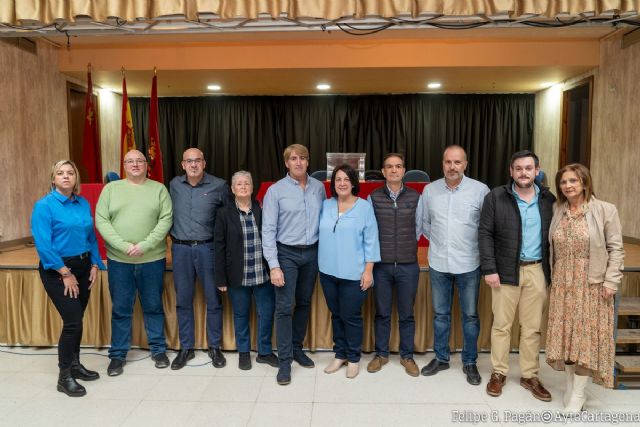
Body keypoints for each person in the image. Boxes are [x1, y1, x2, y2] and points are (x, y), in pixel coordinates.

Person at [545, 164, 624, 416]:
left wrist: (611, 281)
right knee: (567, 338)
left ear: (585, 182)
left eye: (573, 181)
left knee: (585, 341)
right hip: (562, 284)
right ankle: (571, 386)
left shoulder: (605, 210)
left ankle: (578, 395)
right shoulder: (558, 209)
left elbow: (616, 249)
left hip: (592, 284)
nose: (568, 185)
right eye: (563, 182)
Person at [479, 150, 556, 401]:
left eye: (528, 168)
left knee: (532, 328)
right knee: (501, 325)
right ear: (511, 171)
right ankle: (499, 373)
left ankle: (529, 375)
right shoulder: (496, 197)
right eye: (518, 168)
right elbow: (485, 234)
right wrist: (489, 269)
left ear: (537, 170)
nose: (523, 173)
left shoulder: (548, 199)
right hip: (504, 271)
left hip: (537, 270)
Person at [31, 160, 106, 397]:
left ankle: (75, 365)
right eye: (60, 173)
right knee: (72, 321)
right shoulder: (44, 206)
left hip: (83, 266)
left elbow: (91, 236)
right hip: (58, 270)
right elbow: (43, 245)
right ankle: (64, 376)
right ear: (53, 179)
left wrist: (95, 263)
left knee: (78, 319)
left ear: (76, 178)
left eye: (70, 172)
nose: (66, 176)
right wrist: (65, 273)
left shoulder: (82, 203)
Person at [95, 149, 173, 376]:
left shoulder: (159, 189)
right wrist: (124, 246)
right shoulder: (111, 189)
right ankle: (118, 355)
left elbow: (166, 219)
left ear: (147, 165)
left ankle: (158, 350)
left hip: (152, 259)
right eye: (130, 161)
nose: (135, 164)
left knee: (153, 306)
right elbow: (101, 220)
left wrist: (145, 245)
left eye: (140, 160)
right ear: (124, 165)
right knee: (121, 308)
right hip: (119, 260)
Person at [421, 145, 489, 385]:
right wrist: (442, 244)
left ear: (465, 164)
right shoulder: (429, 191)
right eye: (448, 162)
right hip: (439, 262)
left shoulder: (480, 191)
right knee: (440, 315)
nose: (452, 167)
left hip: (469, 263)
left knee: (470, 316)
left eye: (457, 162)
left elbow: (486, 228)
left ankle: (470, 361)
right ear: (442, 164)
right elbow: (425, 225)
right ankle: (441, 358)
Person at [262, 144, 325, 385]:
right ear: (287, 163)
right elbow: (267, 230)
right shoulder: (275, 191)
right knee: (285, 306)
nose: (298, 162)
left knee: (305, 302)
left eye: (303, 158)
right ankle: (285, 360)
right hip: (286, 253)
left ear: (308, 162)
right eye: (293, 159)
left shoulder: (318, 188)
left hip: (312, 253)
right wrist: (274, 265)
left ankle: (297, 348)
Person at [169, 148, 229, 370]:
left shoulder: (219, 186)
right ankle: (186, 348)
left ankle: (214, 346)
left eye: (197, 161)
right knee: (183, 300)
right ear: (182, 165)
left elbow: (226, 220)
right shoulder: (174, 185)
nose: (193, 165)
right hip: (181, 250)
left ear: (204, 163)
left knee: (213, 300)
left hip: (208, 249)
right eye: (189, 161)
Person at [319, 164, 381, 379]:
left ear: (354, 183)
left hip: (354, 274)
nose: (342, 183)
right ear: (333, 184)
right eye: (338, 179)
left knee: (351, 317)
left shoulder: (364, 207)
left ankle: (354, 358)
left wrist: (368, 270)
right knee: (336, 315)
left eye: (347, 179)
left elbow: (371, 240)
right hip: (327, 272)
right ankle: (340, 354)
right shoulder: (325, 205)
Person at [215, 171, 278, 370]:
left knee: (266, 314)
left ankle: (265, 352)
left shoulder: (262, 210)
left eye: (247, 183)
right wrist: (221, 279)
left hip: (263, 274)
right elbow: (219, 247)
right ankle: (243, 352)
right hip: (236, 275)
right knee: (241, 315)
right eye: (239, 184)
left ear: (252, 188)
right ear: (232, 189)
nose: (243, 187)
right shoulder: (224, 214)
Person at [367, 153, 422, 377]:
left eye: (398, 166)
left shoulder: (416, 196)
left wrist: (405, 246)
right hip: (382, 266)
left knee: (407, 313)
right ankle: (381, 354)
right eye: (389, 167)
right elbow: (370, 231)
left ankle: (407, 356)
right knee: (382, 313)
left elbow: (419, 227)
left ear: (403, 170)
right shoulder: (373, 197)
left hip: (408, 264)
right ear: (383, 171)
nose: (393, 170)